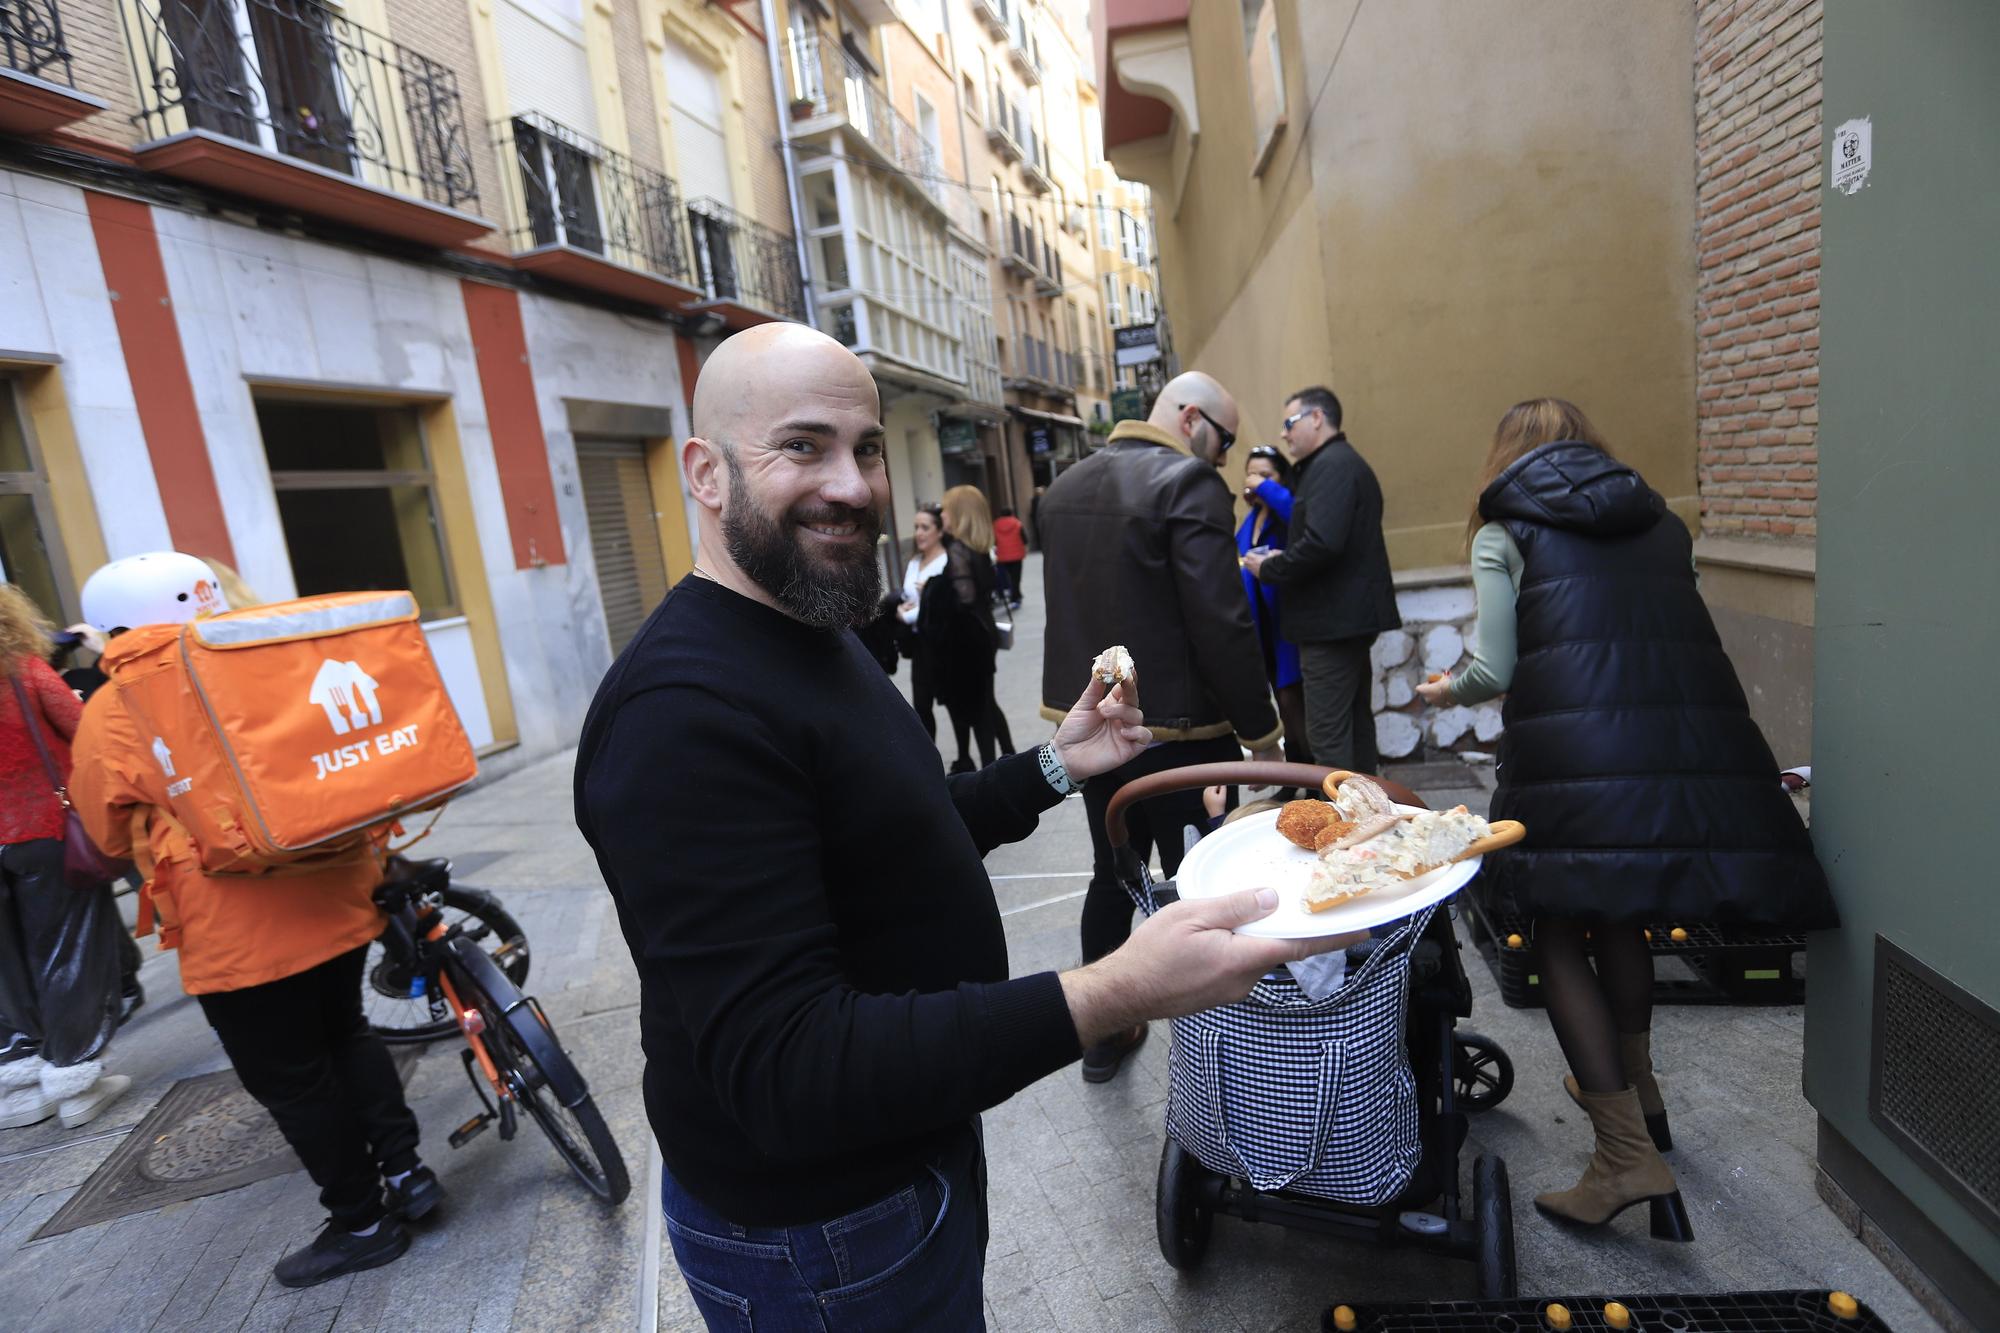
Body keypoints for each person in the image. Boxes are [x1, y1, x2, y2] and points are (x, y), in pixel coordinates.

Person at [574, 324, 1346, 1329]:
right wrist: (1109, 990)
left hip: (905, 1157)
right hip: (818, 1234)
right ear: (705, 474)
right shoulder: (680, 715)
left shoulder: (812, 630)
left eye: (863, 448)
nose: (851, 485)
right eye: (801, 447)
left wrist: (1053, 766)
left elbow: (903, 829)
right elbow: (785, 1066)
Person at [1415, 399, 1836, 1240]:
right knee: (1624, 920)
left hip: (1572, 761)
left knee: (1559, 931)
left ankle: (1621, 1157)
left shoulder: (1506, 530)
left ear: (1508, 457)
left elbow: (1496, 663)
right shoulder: (1661, 526)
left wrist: (1444, 689)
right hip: (1668, 752)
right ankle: (1639, 1092)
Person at [70, 551, 444, 1289]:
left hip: (237, 933)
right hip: (337, 893)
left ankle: (362, 1224)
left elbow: (107, 835)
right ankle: (408, 1175)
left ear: (114, 625)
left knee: (295, 1080)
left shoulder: (119, 703)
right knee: (347, 1033)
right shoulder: (258, 660)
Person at [1038, 371, 1284, 1083]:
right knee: (1204, 883)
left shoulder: (1066, 487)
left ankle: (1101, 1035)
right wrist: (1260, 726)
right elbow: (1222, 620)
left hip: (1098, 729)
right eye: (1225, 438)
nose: (1227, 456)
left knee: (1110, 875)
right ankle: (1224, 1049)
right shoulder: (1187, 483)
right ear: (1189, 417)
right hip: (1186, 734)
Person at [0, 584, 130, 1131]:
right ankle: (73, 1078)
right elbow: (85, 734)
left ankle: (20, 1085)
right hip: (42, 831)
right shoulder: (23, 670)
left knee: (6, 964)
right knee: (68, 951)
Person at [1242, 385, 1399, 773]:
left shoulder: (1333, 466)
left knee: (1327, 734)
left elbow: (1323, 544)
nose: (1284, 434)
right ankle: (1364, 816)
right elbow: (1327, 541)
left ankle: (1342, 825)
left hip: (1331, 624)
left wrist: (1272, 568)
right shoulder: (1331, 465)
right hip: (1339, 620)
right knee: (1353, 725)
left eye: (1289, 423)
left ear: (1317, 418)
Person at [1237, 445, 1310, 766]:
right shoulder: (1252, 518)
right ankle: (1292, 775)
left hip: (1287, 620)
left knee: (1293, 699)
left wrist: (1266, 488)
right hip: (1258, 625)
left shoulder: (1287, 515)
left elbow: (1298, 514)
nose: (1257, 482)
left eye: (1267, 475)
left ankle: (1309, 775)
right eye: (1252, 475)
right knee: (1281, 704)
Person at [936, 484, 1014, 771]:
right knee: (986, 702)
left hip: (968, 641)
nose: (941, 514)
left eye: (945, 509)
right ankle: (1007, 755)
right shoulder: (980, 550)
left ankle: (992, 768)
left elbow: (964, 600)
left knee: (978, 707)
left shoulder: (958, 550)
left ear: (957, 513)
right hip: (984, 634)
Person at [897, 504, 950, 739]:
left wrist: (906, 614)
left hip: (942, 642)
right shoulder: (914, 562)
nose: (919, 533)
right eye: (916, 527)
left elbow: (942, 605)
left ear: (939, 531)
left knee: (952, 703)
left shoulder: (947, 562)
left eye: (925, 527)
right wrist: (901, 607)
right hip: (919, 643)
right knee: (921, 705)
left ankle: (964, 757)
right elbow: (909, 597)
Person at [992, 506, 1027, 609]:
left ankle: (1012, 594)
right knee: (1016, 578)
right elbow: (1025, 539)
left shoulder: (995, 524)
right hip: (1017, 556)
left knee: (1007, 577)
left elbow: (994, 540)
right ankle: (1015, 597)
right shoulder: (1017, 523)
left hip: (1002, 556)